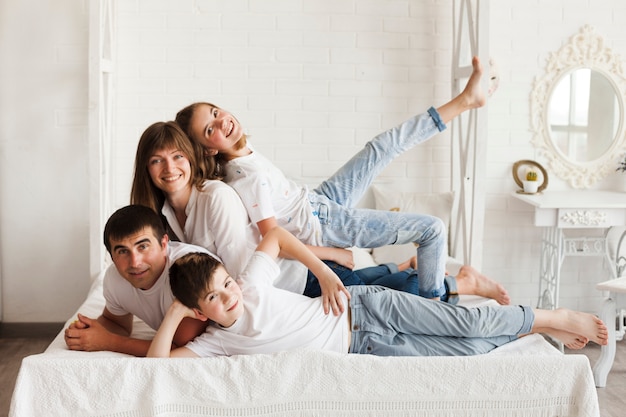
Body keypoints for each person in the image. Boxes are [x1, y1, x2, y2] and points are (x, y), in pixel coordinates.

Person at [175, 56, 489, 302]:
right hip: (323, 224)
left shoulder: (244, 152)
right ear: (207, 149)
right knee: (432, 228)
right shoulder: (244, 179)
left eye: (216, 112)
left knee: (380, 148)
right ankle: (435, 311)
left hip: (318, 200)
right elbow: (273, 242)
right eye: (210, 129)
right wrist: (332, 254)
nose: (221, 122)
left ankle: (466, 100)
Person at [130, 120, 509, 306]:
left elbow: (254, 255)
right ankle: (411, 267)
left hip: (297, 279)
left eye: (178, 156)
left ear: (194, 157)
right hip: (300, 263)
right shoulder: (160, 217)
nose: (169, 168)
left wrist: (325, 259)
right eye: (157, 161)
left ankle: (460, 285)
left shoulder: (216, 197)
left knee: (388, 296)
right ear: (146, 169)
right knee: (375, 278)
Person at [147, 226, 608, 359]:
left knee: (466, 321)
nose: (230, 297)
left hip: (365, 306)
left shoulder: (250, 285)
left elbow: (278, 237)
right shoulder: (215, 342)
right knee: (466, 352)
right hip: (366, 345)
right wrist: (174, 314)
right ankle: (531, 330)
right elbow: (159, 369)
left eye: (225, 283)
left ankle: (551, 316)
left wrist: (326, 275)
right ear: (198, 309)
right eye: (214, 298)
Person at [64, 204, 215, 356]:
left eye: (142, 246)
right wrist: (86, 332)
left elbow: (180, 347)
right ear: (111, 256)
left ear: (163, 244)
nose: (135, 263)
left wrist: (109, 342)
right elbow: (117, 324)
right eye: (123, 251)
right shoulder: (115, 278)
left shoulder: (187, 272)